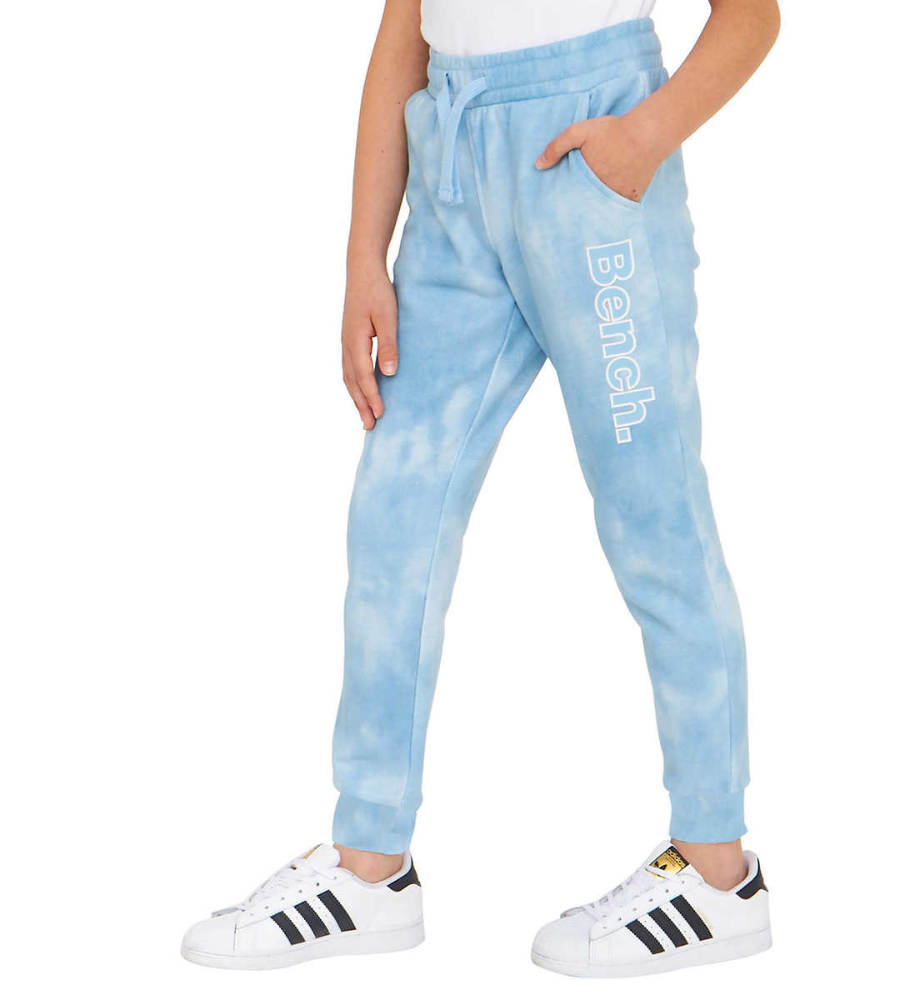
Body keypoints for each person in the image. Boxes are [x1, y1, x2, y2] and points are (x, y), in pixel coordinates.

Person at [181, 0, 780, 977]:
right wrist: (363, 256)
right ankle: (370, 866)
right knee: (395, 513)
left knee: (655, 514)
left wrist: (641, 139)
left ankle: (718, 871)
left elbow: (751, 17)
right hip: (451, 182)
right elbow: (403, 33)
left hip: (589, 163)